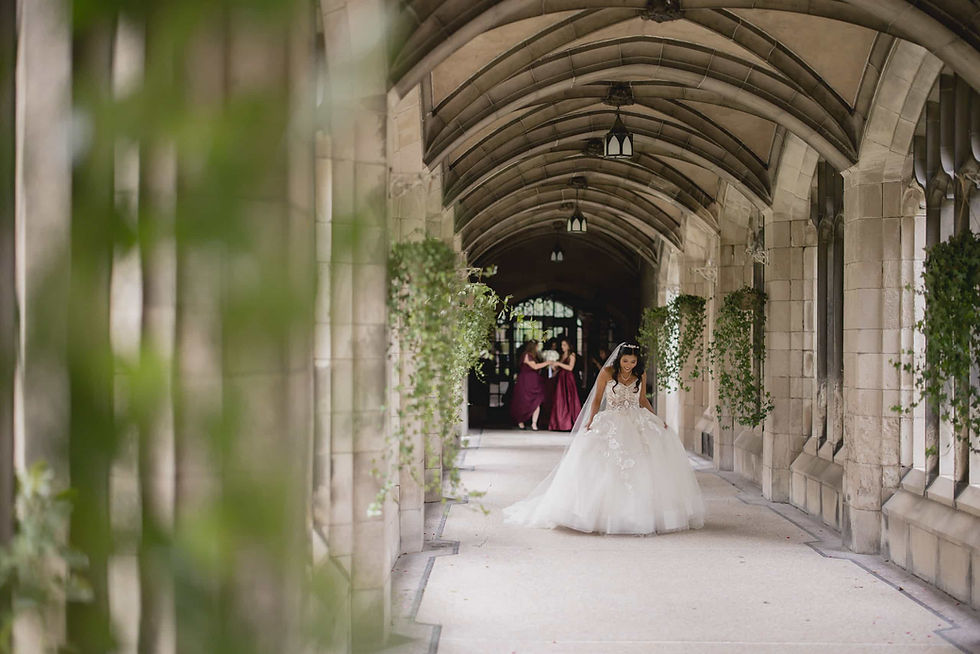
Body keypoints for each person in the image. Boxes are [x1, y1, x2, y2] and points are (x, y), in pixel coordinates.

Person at [504, 342, 705, 534]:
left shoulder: (640, 374)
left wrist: (657, 419)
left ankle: (641, 515)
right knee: (603, 465)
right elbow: (598, 400)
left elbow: (642, 399)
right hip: (611, 419)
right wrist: (590, 421)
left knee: (643, 465)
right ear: (619, 359)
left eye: (633, 362)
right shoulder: (607, 373)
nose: (629, 366)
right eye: (625, 361)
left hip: (637, 420)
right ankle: (598, 515)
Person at [509, 339, 551, 430]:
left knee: (537, 401)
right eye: (537, 346)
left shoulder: (534, 356)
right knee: (523, 401)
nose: (538, 348)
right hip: (526, 381)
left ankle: (534, 423)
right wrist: (547, 363)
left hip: (535, 382)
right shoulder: (526, 355)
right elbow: (535, 366)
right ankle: (521, 421)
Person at [547, 337, 582, 431]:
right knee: (560, 400)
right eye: (562, 345)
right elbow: (559, 368)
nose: (562, 347)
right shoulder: (562, 355)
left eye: (564, 345)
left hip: (568, 379)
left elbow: (570, 367)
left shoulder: (572, 354)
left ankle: (570, 423)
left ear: (568, 346)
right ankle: (560, 423)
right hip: (561, 379)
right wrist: (553, 366)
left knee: (569, 399)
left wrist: (558, 363)